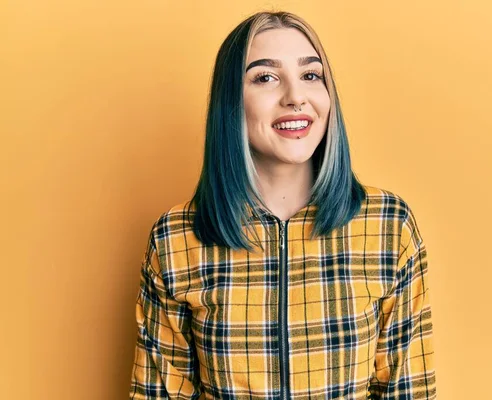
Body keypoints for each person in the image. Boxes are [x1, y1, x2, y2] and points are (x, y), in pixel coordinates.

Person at [129, 10, 436, 400]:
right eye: (265, 78)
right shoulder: (176, 239)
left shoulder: (388, 226)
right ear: (232, 102)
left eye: (311, 75)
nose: (295, 97)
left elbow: (407, 390)